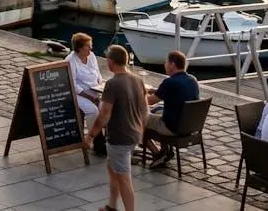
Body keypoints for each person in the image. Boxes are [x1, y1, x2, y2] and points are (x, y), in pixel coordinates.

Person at [83, 45, 146, 211]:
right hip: (134, 134)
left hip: (120, 137)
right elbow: (144, 110)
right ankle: (112, 206)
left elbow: (104, 115)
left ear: (111, 62)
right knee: (112, 169)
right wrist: (141, 130)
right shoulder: (138, 80)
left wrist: (90, 136)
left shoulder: (112, 84)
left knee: (124, 178)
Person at [144, 50, 199, 167]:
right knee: (157, 109)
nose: (165, 65)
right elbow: (174, 94)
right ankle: (166, 151)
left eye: (166, 62)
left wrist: (138, 93)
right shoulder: (193, 80)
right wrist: (156, 91)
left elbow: (149, 101)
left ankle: (157, 153)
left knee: (138, 120)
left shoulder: (169, 82)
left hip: (173, 127)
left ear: (172, 65)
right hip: (189, 125)